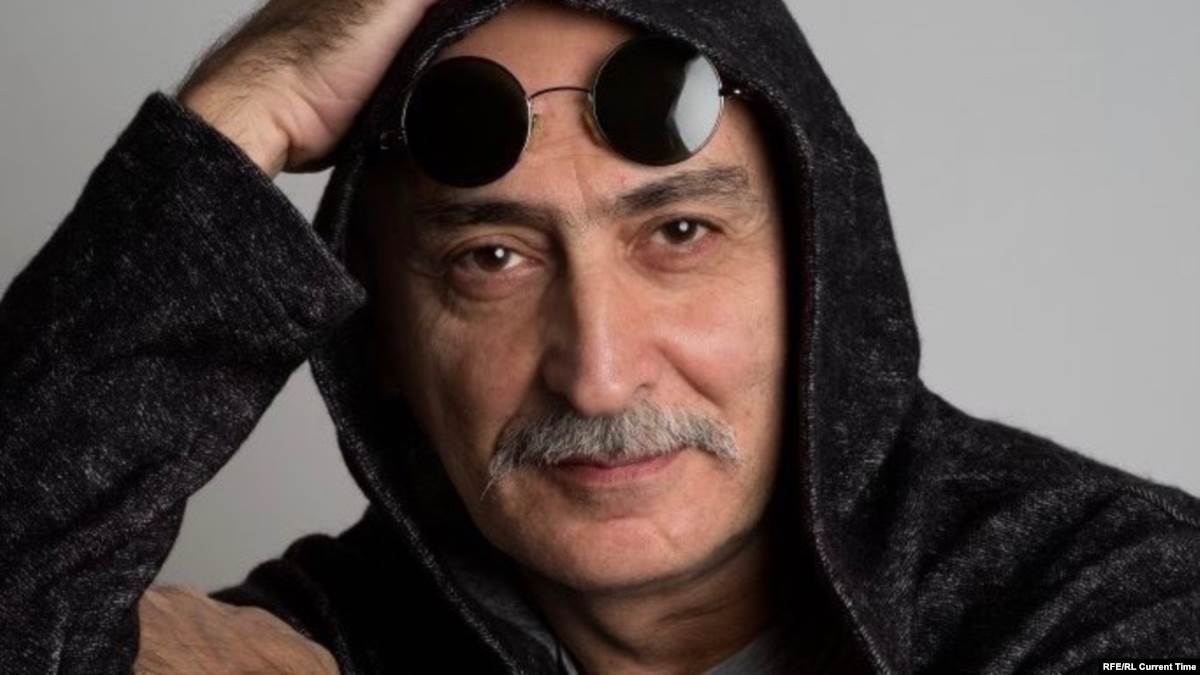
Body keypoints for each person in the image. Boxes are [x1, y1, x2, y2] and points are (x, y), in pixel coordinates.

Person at [0, 0, 1197, 673]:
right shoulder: (317, 639)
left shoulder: (1106, 591)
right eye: (490, 259)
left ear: (823, 280)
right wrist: (246, 108)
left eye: (679, 233)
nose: (600, 371)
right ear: (382, 341)